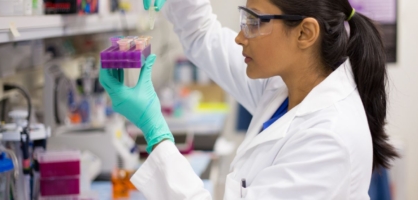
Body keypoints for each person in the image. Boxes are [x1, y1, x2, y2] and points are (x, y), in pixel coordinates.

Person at [99, 0, 399, 198]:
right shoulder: (286, 88)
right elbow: (202, 35)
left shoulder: (330, 138)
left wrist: (155, 132)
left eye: (254, 22)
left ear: (305, 33)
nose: (241, 37)